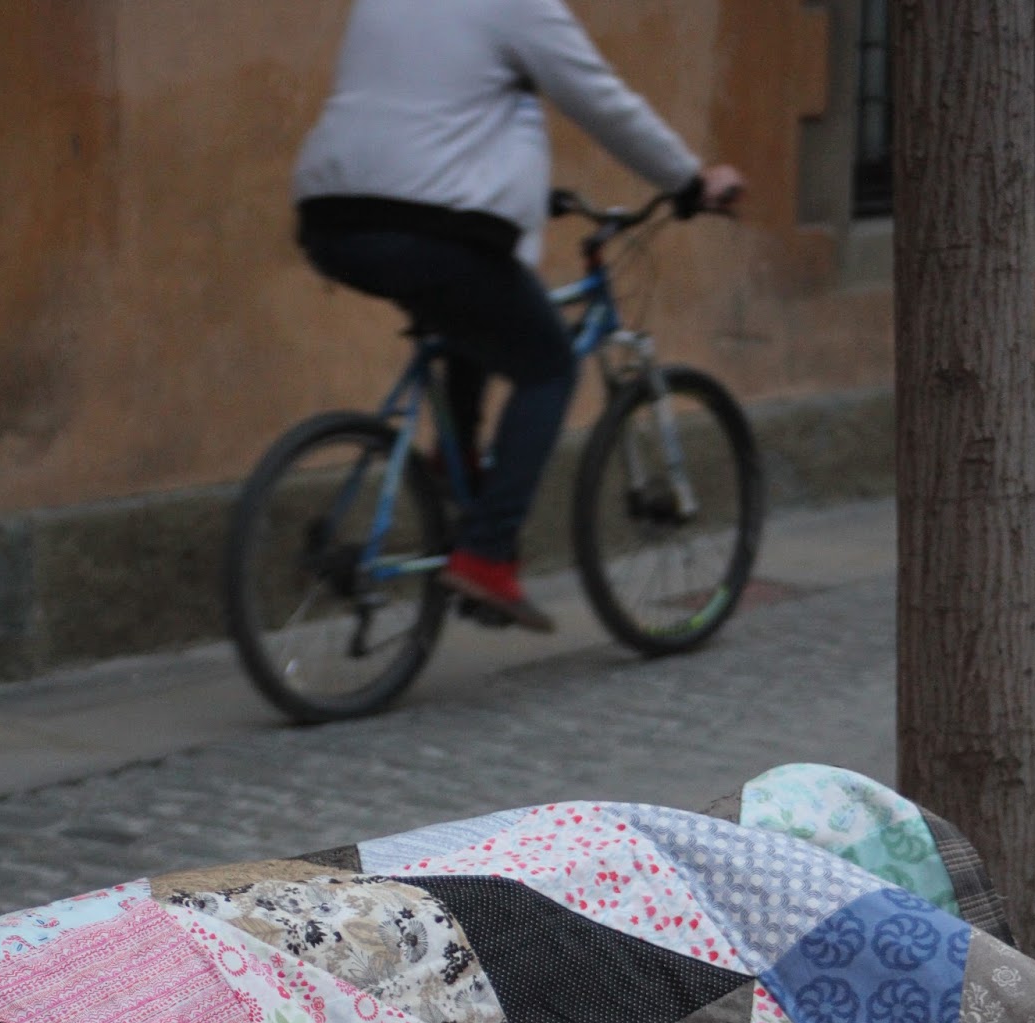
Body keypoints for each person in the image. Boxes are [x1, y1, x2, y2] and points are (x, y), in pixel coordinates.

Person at [294, 0, 744, 630]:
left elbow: (426, 105)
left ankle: (455, 464)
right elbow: (600, 100)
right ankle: (485, 556)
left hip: (332, 221)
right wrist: (690, 181)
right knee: (548, 365)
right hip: (429, 224)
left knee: (472, 310)